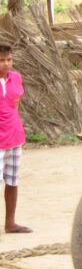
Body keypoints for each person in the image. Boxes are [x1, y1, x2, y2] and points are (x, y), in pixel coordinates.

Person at [0, 44, 31, 234]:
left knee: (12, 181)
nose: (6, 64)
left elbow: (15, 106)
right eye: (1, 60)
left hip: (14, 137)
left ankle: (10, 223)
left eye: (9, 59)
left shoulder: (16, 77)